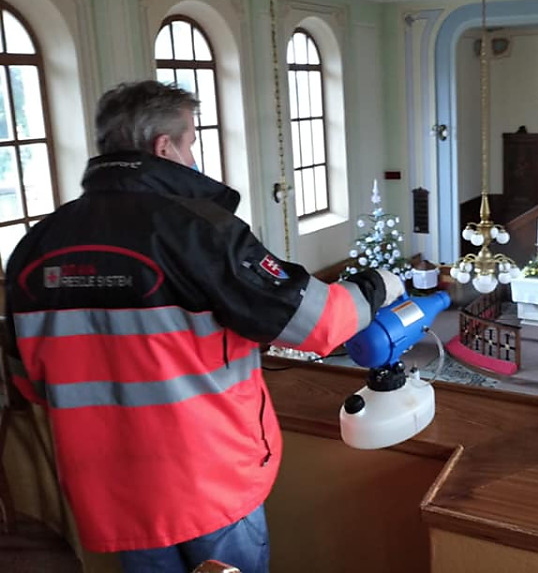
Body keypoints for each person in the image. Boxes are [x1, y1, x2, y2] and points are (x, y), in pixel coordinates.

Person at [3, 81, 406, 573]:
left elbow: (28, 382)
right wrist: (376, 286)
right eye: (190, 142)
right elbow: (318, 324)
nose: (193, 156)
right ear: (164, 147)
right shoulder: (198, 230)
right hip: (208, 483)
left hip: (111, 493)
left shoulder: (35, 246)